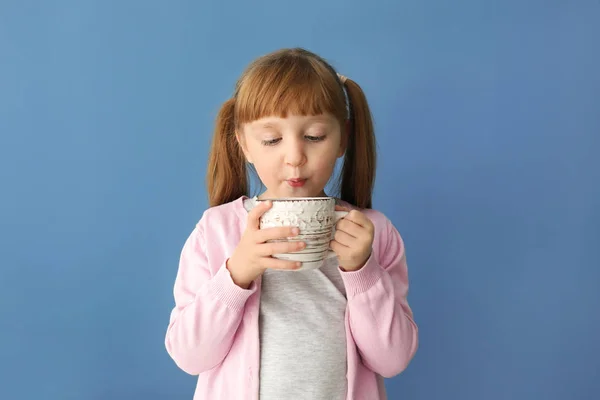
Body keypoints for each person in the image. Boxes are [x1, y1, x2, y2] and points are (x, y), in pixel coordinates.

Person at [164, 47, 418, 400]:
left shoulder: (373, 234)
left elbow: (392, 359)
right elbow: (190, 356)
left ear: (343, 138)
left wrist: (362, 270)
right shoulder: (216, 231)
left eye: (314, 136)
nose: (295, 157)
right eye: (271, 139)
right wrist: (236, 273)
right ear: (244, 145)